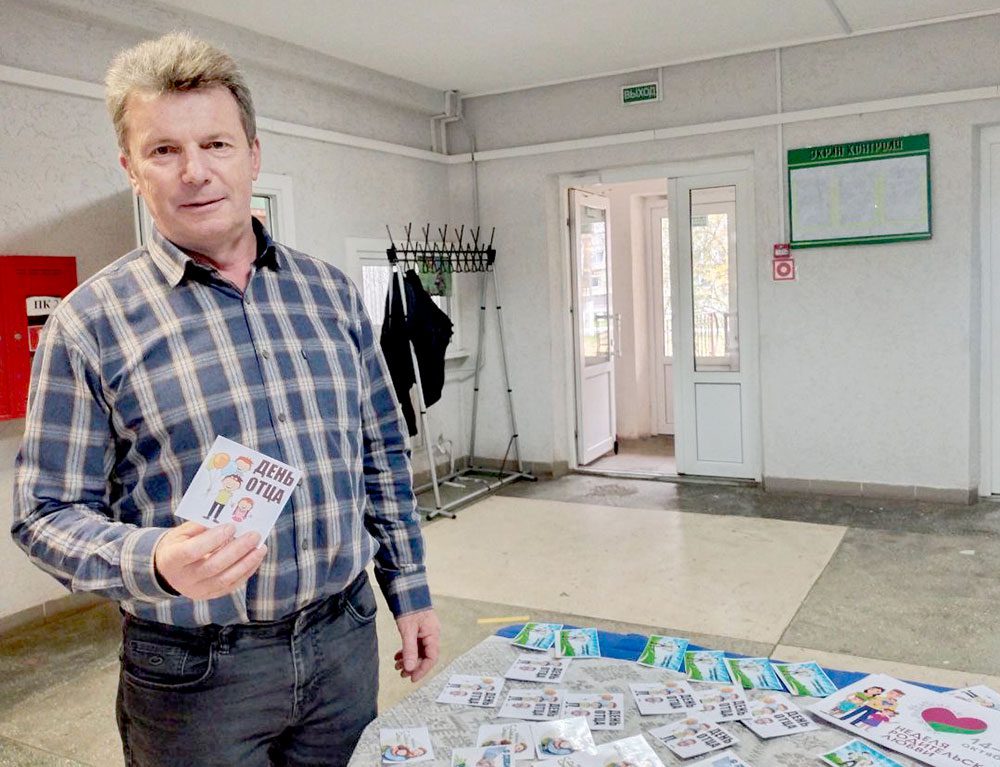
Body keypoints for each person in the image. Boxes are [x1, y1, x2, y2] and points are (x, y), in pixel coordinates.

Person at [10, 31, 440, 767]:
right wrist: (153, 557)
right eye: (164, 150)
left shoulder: (331, 294)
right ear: (131, 169)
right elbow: (43, 512)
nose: (196, 171)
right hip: (194, 673)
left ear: (253, 154)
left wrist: (410, 588)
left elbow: (380, 454)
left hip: (343, 642)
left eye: (215, 144)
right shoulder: (90, 323)